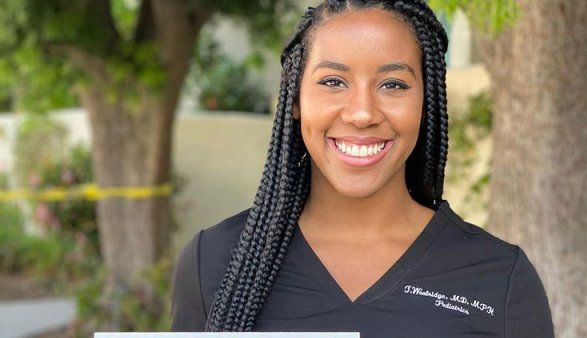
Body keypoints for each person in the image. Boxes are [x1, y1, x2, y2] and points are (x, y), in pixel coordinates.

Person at [171, 0, 555, 336]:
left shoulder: (500, 278)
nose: (362, 113)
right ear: (295, 101)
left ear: (427, 102)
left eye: (393, 85)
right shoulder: (215, 261)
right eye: (333, 81)